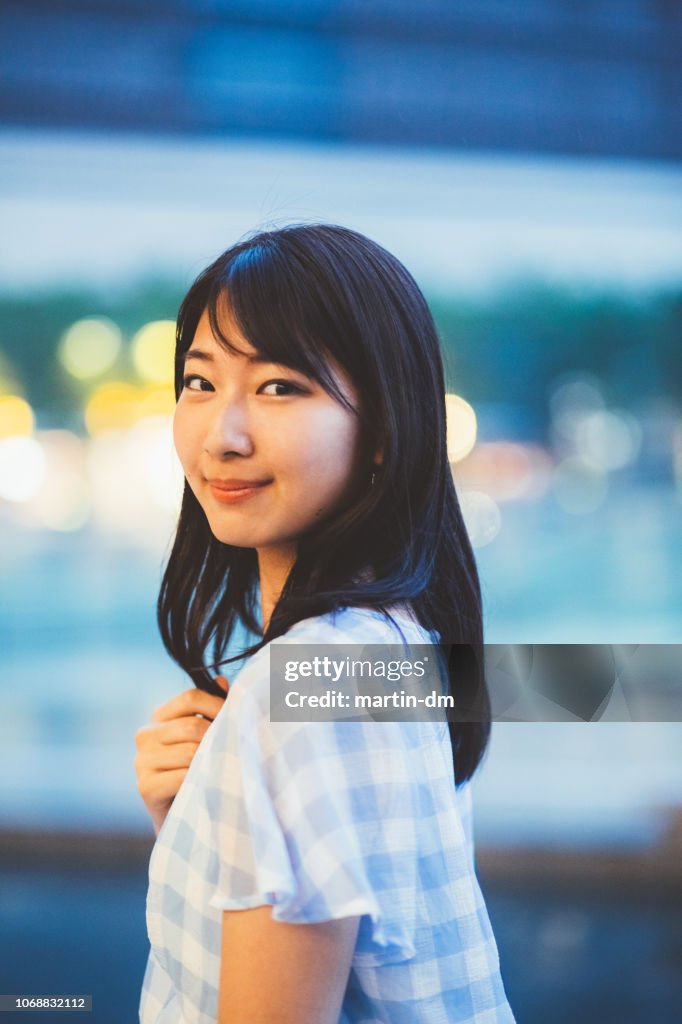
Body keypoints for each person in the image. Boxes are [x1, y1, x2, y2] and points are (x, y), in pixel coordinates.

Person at [134, 223, 516, 1023]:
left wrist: (251, 764)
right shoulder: (397, 644)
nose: (222, 435)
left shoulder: (306, 688)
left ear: (382, 430)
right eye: (200, 383)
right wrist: (213, 804)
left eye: (279, 387)